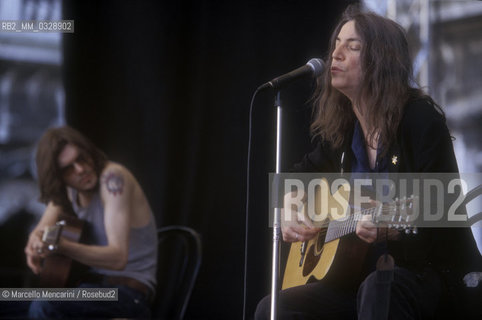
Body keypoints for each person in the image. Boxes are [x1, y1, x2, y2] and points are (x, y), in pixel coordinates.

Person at [255, 4, 479, 320]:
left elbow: (443, 208)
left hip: (430, 278)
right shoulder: (345, 131)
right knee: (273, 309)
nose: (336, 54)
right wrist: (288, 206)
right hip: (361, 284)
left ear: (381, 61)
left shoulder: (420, 120)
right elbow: (296, 177)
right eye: (336, 44)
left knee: (380, 288)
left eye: (353, 46)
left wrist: (393, 228)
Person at [24, 125, 157, 319]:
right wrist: (34, 243)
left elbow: (118, 258)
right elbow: (41, 231)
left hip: (127, 294)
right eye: (68, 168)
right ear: (57, 178)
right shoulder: (66, 191)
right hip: (88, 290)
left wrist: (60, 247)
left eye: (81, 158)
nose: (80, 169)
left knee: (46, 304)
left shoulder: (113, 178)